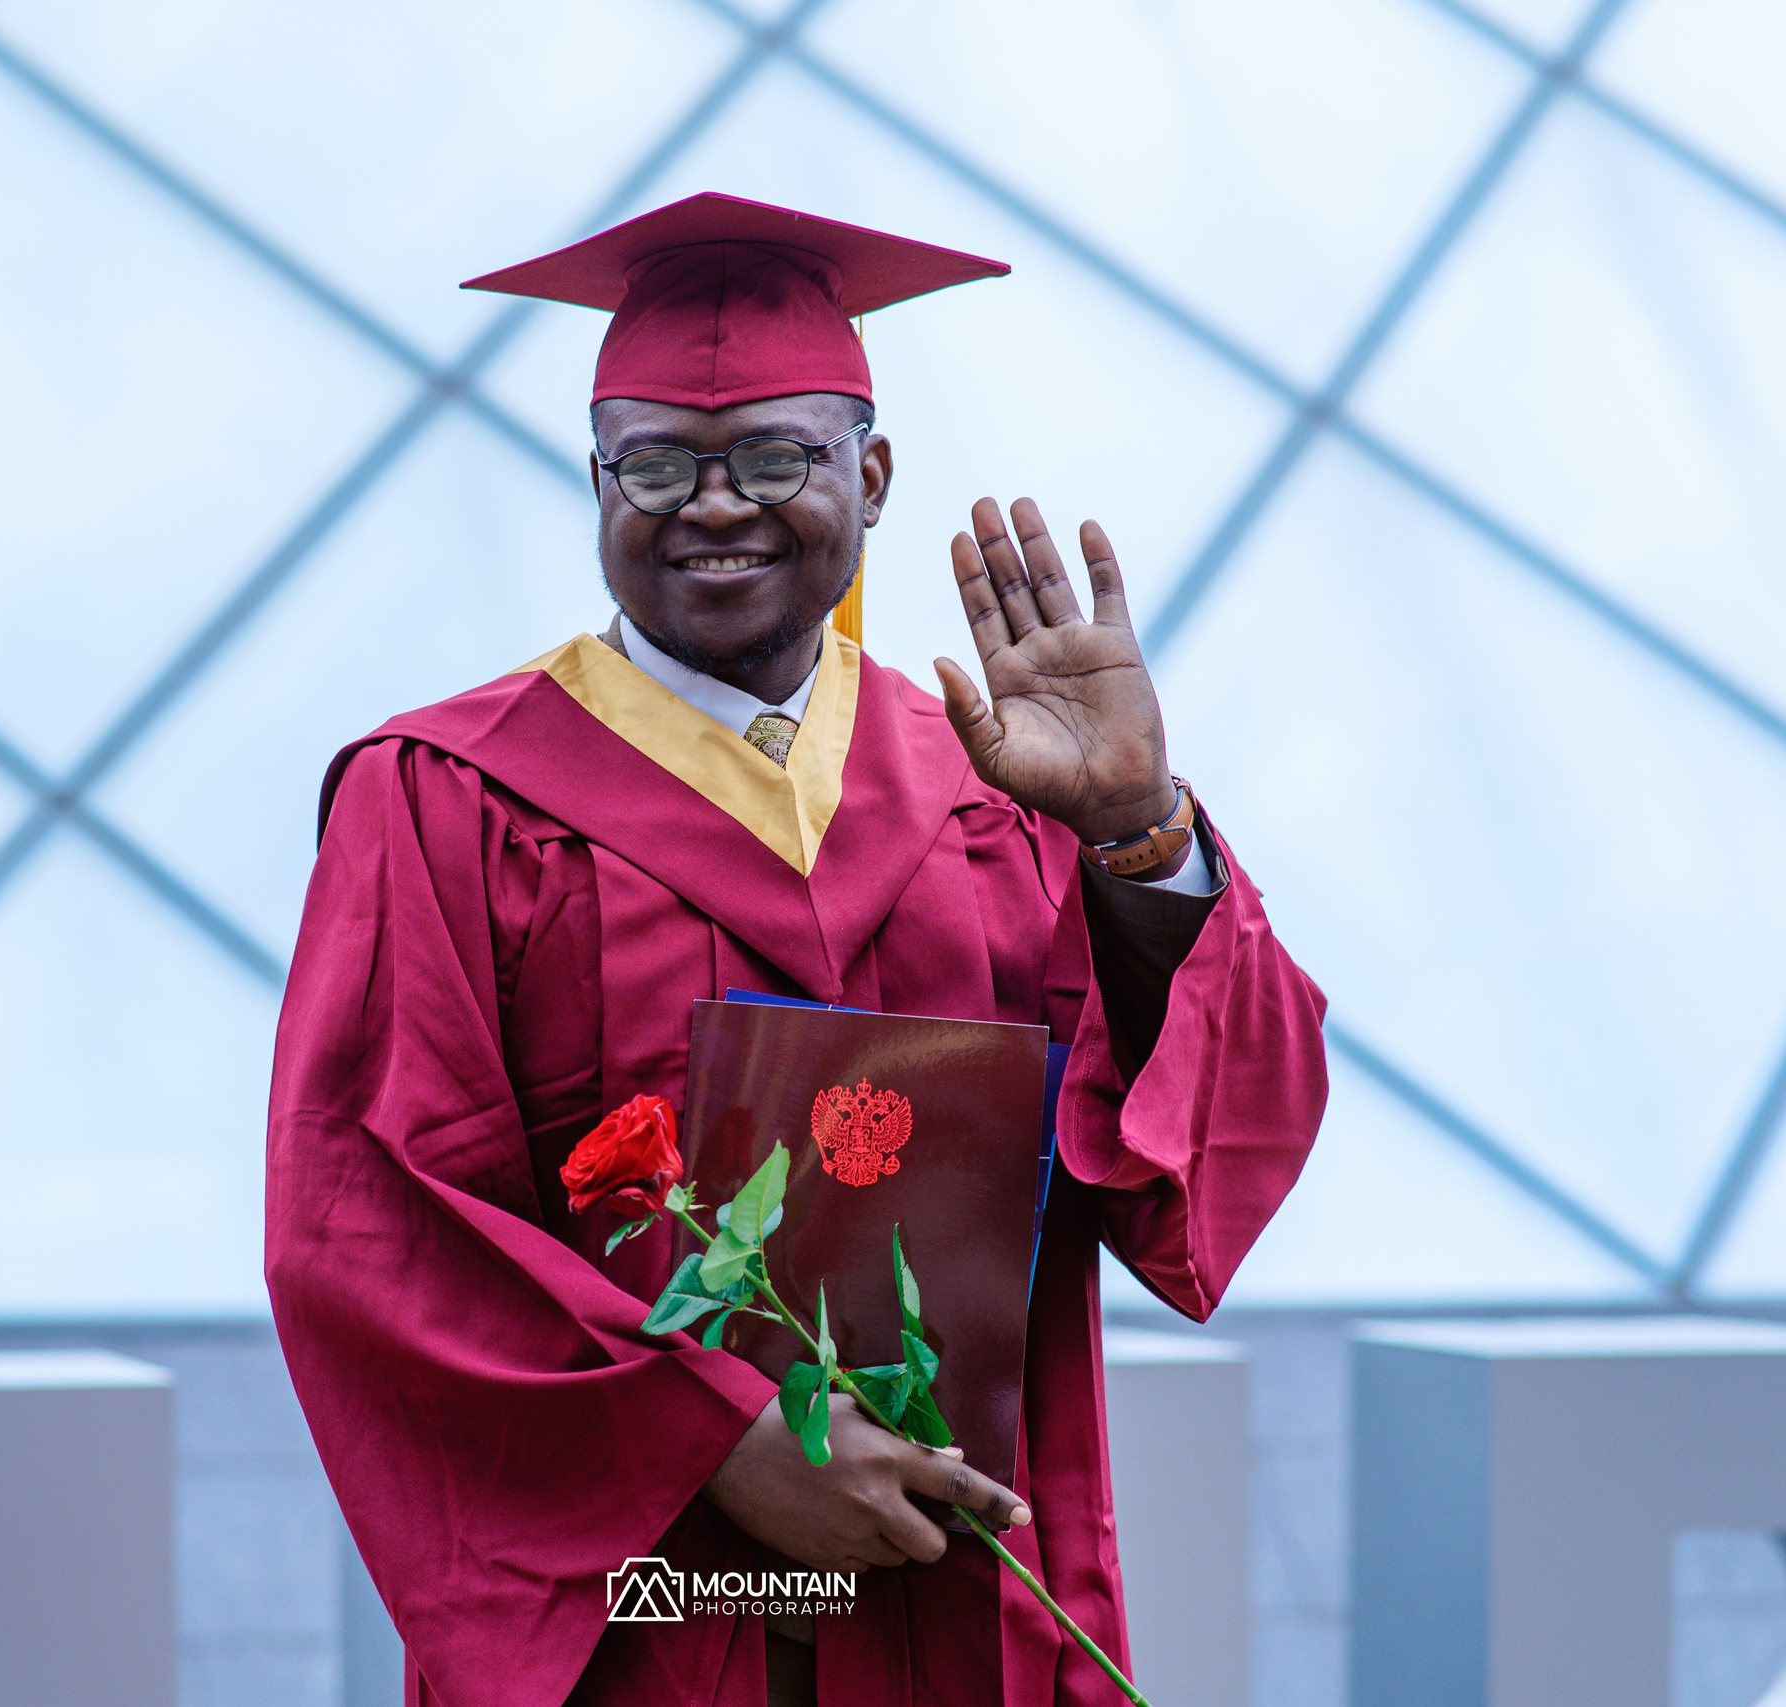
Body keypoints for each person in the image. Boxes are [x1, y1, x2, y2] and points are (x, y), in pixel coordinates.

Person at [267, 192, 1327, 1707]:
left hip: (958, 1582)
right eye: (657, 463)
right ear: (595, 479)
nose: (714, 504)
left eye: (776, 457)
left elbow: (1181, 1157)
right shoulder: (445, 800)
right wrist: (711, 1440)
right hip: (658, 1600)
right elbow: (371, 1219)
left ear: (871, 473)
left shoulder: (997, 783)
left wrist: (1141, 836)